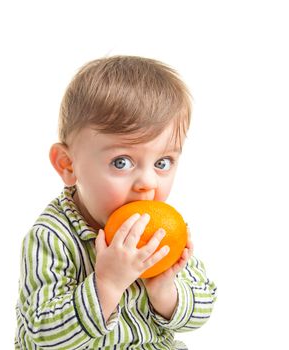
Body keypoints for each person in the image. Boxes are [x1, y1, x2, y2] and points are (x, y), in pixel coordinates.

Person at [15, 55, 217, 350]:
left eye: (163, 162)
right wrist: (106, 284)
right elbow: (42, 336)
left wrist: (165, 290)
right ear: (68, 165)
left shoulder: (162, 232)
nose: (148, 183)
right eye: (121, 162)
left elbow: (203, 306)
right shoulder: (52, 236)